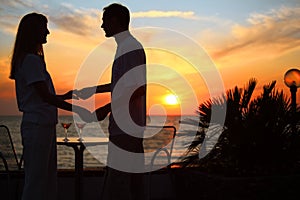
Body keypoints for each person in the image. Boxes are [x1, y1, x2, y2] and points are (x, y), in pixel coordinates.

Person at [9, 12, 93, 200]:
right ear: (34, 31)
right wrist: (78, 110)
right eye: (44, 27)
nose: (48, 32)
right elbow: (46, 97)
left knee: (43, 180)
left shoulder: (29, 60)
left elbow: (40, 96)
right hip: (38, 127)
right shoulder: (31, 60)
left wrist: (63, 97)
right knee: (38, 182)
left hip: (41, 126)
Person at [76, 3, 146, 200]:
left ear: (115, 21)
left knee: (118, 187)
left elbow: (139, 88)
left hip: (126, 128)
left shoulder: (130, 48)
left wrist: (105, 108)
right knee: (131, 185)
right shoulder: (126, 47)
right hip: (128, 127)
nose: (102, 26)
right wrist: (94, 90)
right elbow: (123, 84)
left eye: (105, 21)